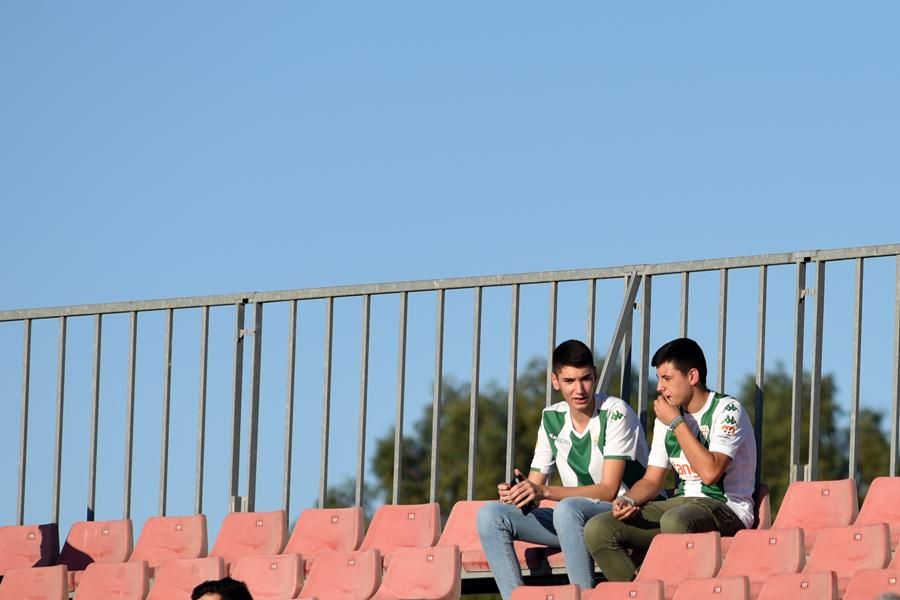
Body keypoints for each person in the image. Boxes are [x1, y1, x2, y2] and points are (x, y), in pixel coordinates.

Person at [477, 339, 651, 599]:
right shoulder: (551, 417)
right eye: (569, 381)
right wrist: (521, 494)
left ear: (595, 375)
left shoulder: (616, 413)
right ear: (555, 381)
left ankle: (583, 595)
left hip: (625, 514)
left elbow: (608, 490)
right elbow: (536, 486)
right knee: (490, 515)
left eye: (586, 379)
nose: (579, 389)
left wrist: (543, 492)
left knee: (568, 509)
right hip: (572, 520)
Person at [583, 337, 756, 582]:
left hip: (727, 509)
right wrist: (629, 499)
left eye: (667, 378)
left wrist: (676, 423)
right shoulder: (669, 414)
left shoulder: (727, 410)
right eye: (659, 379)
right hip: (681, 504)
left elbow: (710, 472)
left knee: (675, 520)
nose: (659, 387)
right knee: (599, 529)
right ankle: (641, 593)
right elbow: (652, 480)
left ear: (692, 376)